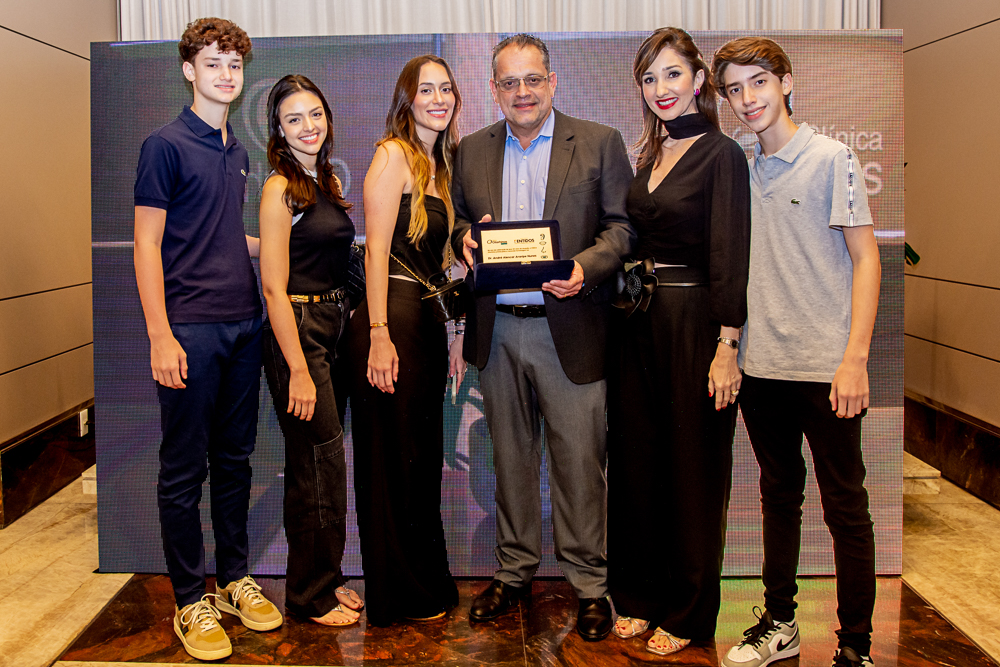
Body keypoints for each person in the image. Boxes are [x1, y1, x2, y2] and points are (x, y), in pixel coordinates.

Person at [453, 34, 634, 641]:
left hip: (573, 330)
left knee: (581, 466)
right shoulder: (471, 150)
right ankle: (513, 573)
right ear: (494, 90)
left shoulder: (600, 142)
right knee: (511, 460)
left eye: (533, 80)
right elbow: (457, 222)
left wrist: (585, 267)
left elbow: (622, 228)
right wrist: (462, 241)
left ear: (552, 83)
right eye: (509, 82)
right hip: (499, 329)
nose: (522, 92)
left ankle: (589, 585)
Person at [712, 37, 881, 667]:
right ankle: (780, 624)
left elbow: (866, 261)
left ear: (786, 81)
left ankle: (856, 647)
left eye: (758, 82)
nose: (747, 99)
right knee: (778, 496)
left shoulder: (832, 158)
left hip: (828, 370)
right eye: (733, 89)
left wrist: (855, 359)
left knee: (846, 506)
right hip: (763, 368)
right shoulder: (742, 170)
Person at [133, 17, 282, 662]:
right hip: (188, 331)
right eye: (214, 63)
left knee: (234, 463)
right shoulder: (163, 145)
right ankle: (189, 599)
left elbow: (222, 236)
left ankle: (233, 582)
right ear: (189, 71)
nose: (226, 74)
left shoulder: (238, 151)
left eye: (235, 65)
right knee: (182, 470)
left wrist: (279, 244)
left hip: (244, 326)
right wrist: (160, 335)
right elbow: (147, 244)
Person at [605, 28, 750, 657]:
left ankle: (688, 613)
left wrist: (727, 345)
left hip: (696, 325)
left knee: (693, 471)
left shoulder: (722, 155)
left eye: (672, 74)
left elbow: (729, 255)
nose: (660, 89)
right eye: (649, 78)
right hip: (636, 321)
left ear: (698, 80)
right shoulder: (649, 156)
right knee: (637, 465)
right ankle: (636, 596)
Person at [345, 54, 466, 626]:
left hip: (422, 322)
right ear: (407, 99)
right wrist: (376, 333)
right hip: (389, 316)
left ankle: (424, 582)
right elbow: (375, 250)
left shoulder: (438, 163)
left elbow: (435, 261)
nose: (438, 98)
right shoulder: (393, 154)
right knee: (391, 461)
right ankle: (396, 593)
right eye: (427, 89)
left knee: (419, 460)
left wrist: (456, 331)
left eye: (446, 89)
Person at [258, 75, 365, 627]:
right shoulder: (279, 187)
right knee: (317, 464)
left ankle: (329, 572)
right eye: (295, 118)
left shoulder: (319, 182)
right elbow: (274, 287)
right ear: (278, 129)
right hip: (297, 331)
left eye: (316, 114)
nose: (309, 126)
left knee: (323, 461)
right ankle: (308, 594)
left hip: (332, 324)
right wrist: (298, 368)